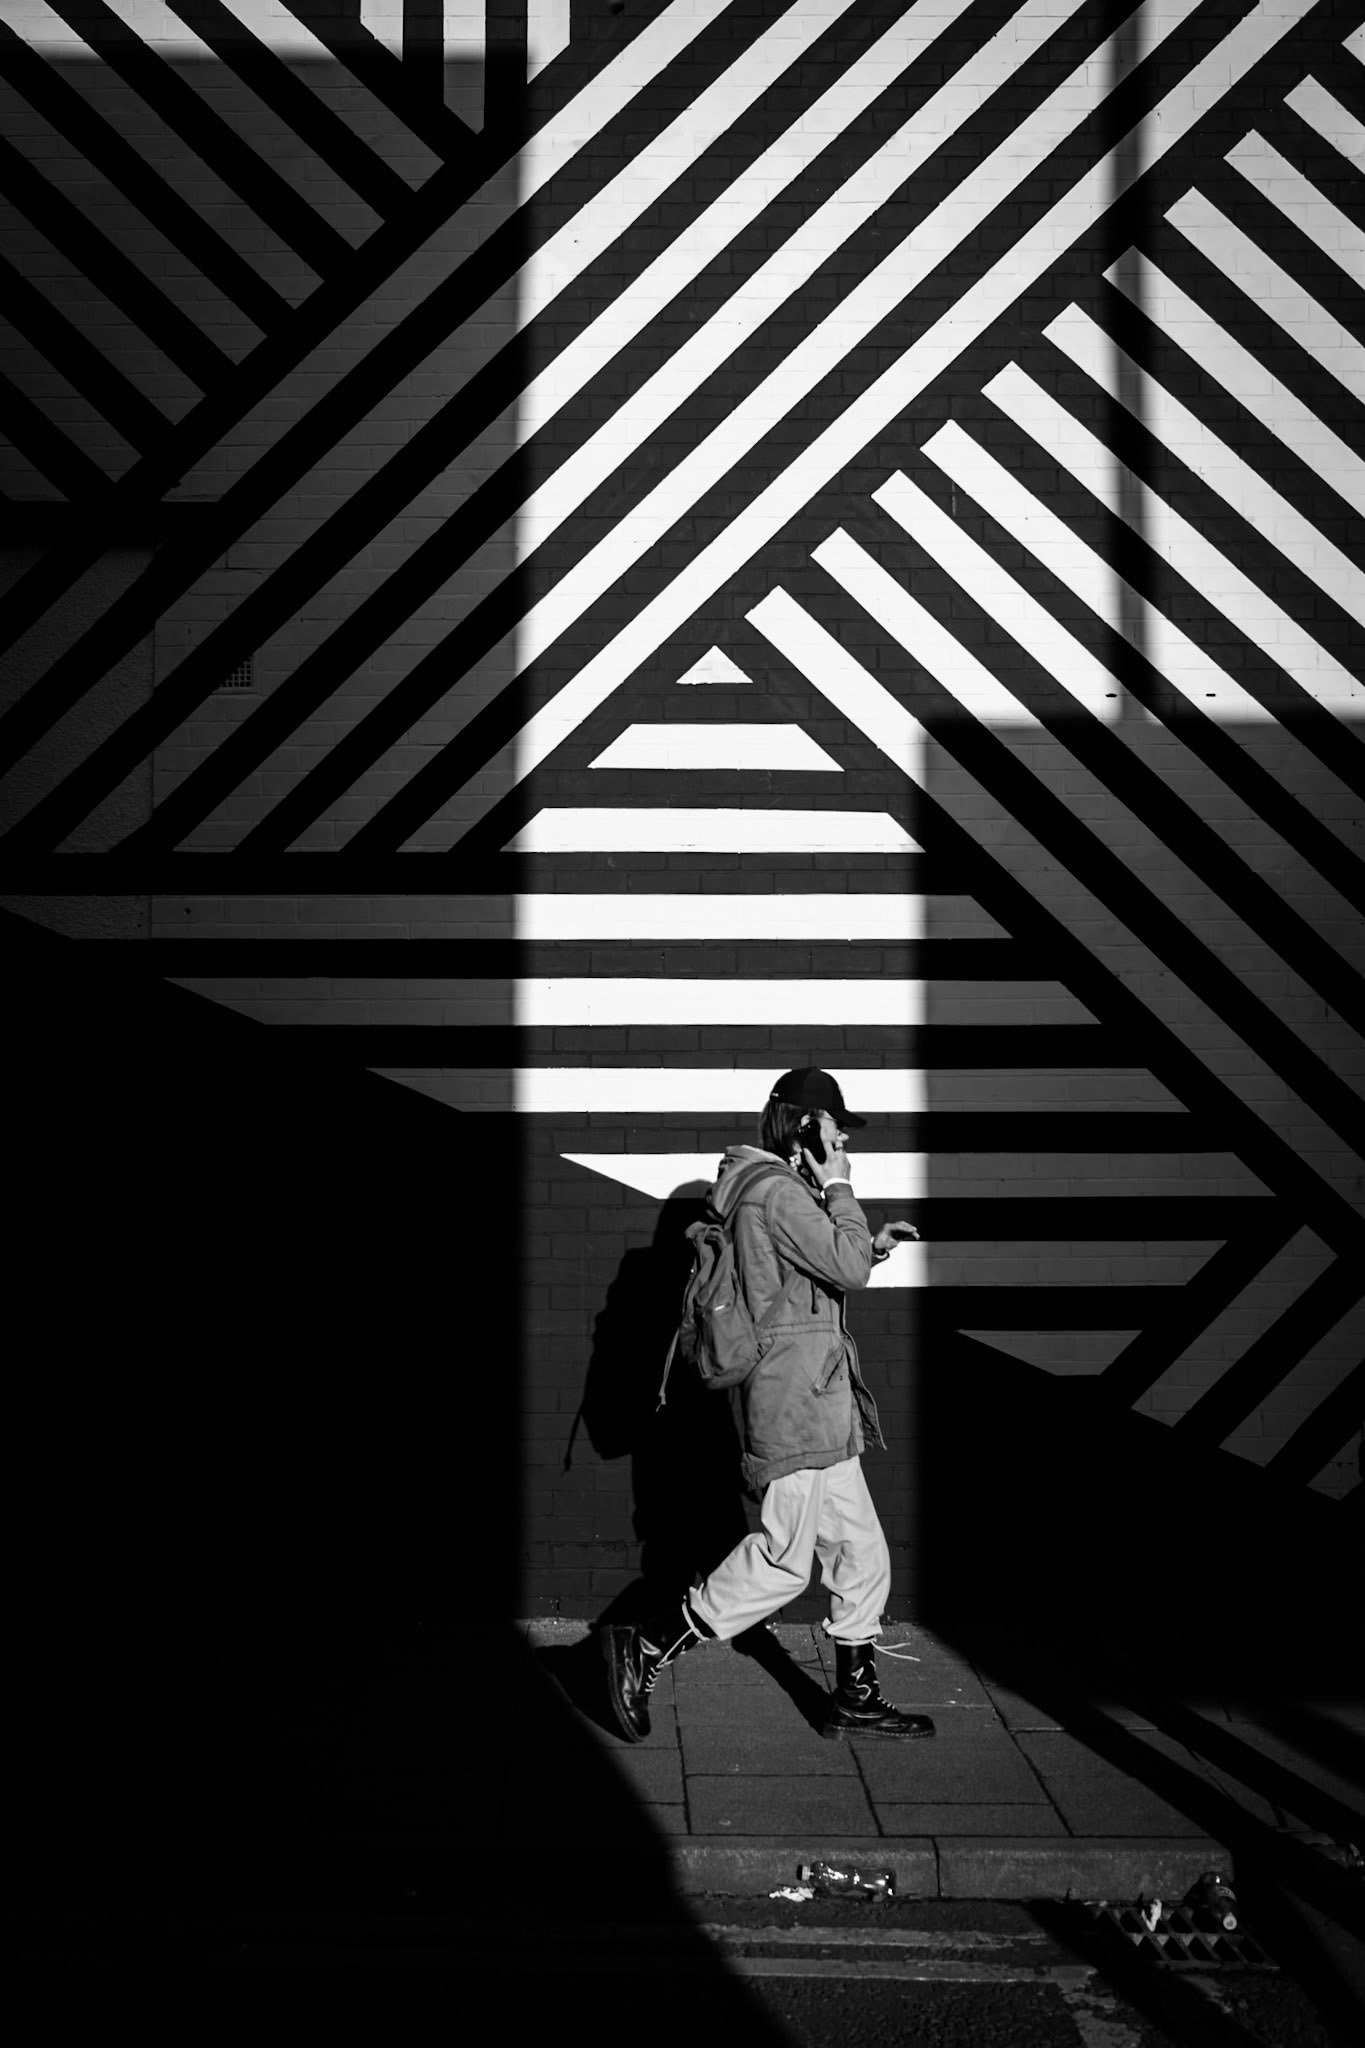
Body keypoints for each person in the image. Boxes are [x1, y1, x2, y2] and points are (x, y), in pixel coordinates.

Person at [602, 1068, 934, 1744]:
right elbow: (845, 1269)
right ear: (806, 1126)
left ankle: (855, 1695)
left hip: (817, 1399)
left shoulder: (776, 1191)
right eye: (836, 1126)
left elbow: (815, 1272)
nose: (845, 1140)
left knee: (860, 1549)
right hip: (795, 1402)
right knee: (784, 1560)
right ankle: (647, 1643)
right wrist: (840, 1188)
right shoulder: (778, 1192)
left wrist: (866, 1244)